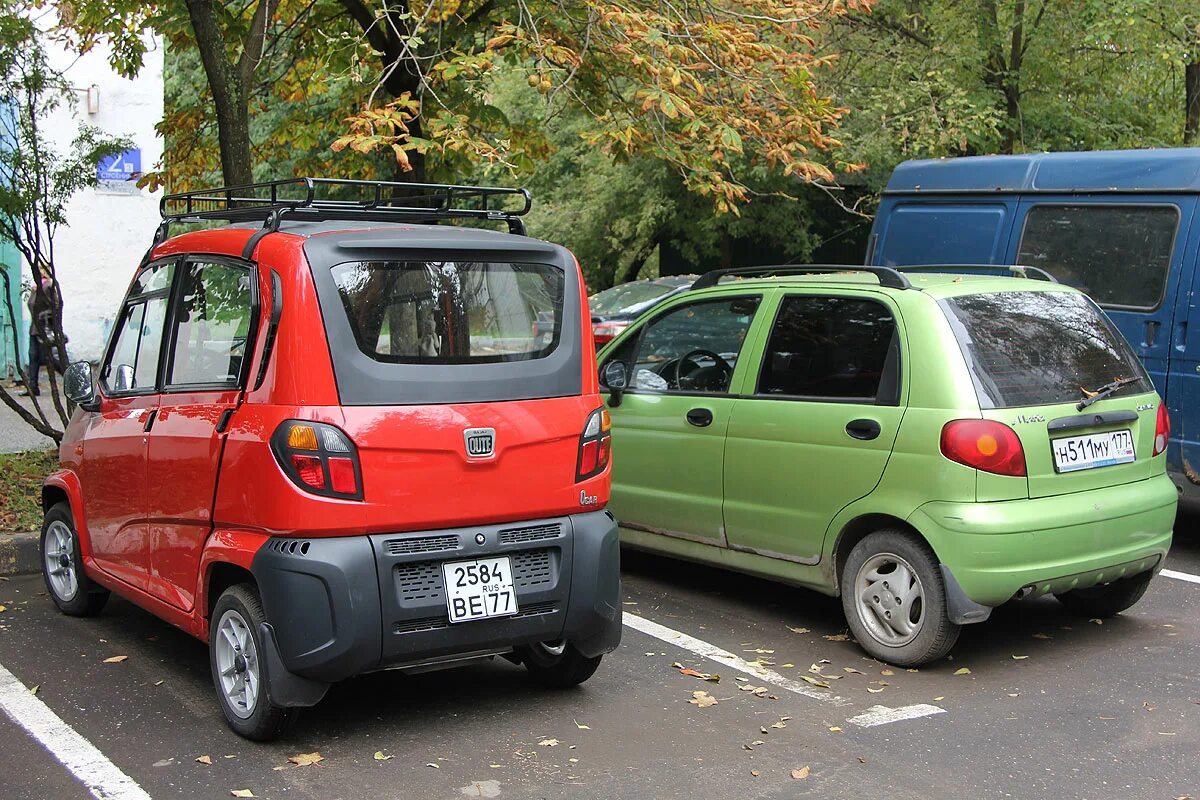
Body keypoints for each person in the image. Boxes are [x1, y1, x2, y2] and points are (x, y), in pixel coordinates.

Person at [20, 272, 62, 397]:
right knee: (33, 357)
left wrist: (48, 321)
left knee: (48, 358)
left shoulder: (47, 286)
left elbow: (55, 305)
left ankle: (73, 378)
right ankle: (33, 387)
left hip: (43, 329)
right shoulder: (36, 287)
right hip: (34, 328)